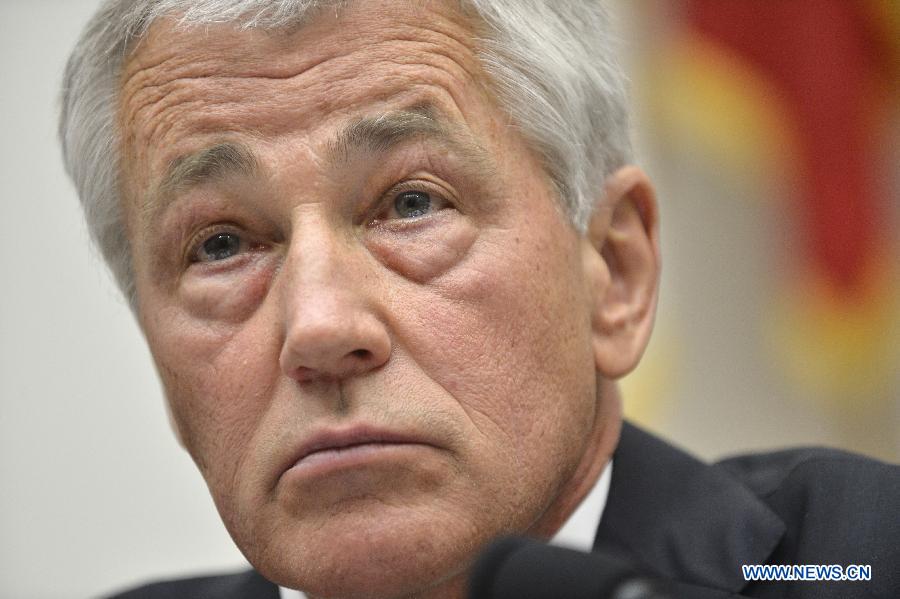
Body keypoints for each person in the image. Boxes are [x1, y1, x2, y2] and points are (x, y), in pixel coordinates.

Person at [58, 1, 898, 598]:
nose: (318, 326)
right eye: (221, 245)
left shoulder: (859, 560)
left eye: (412, 203)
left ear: (614, 270)